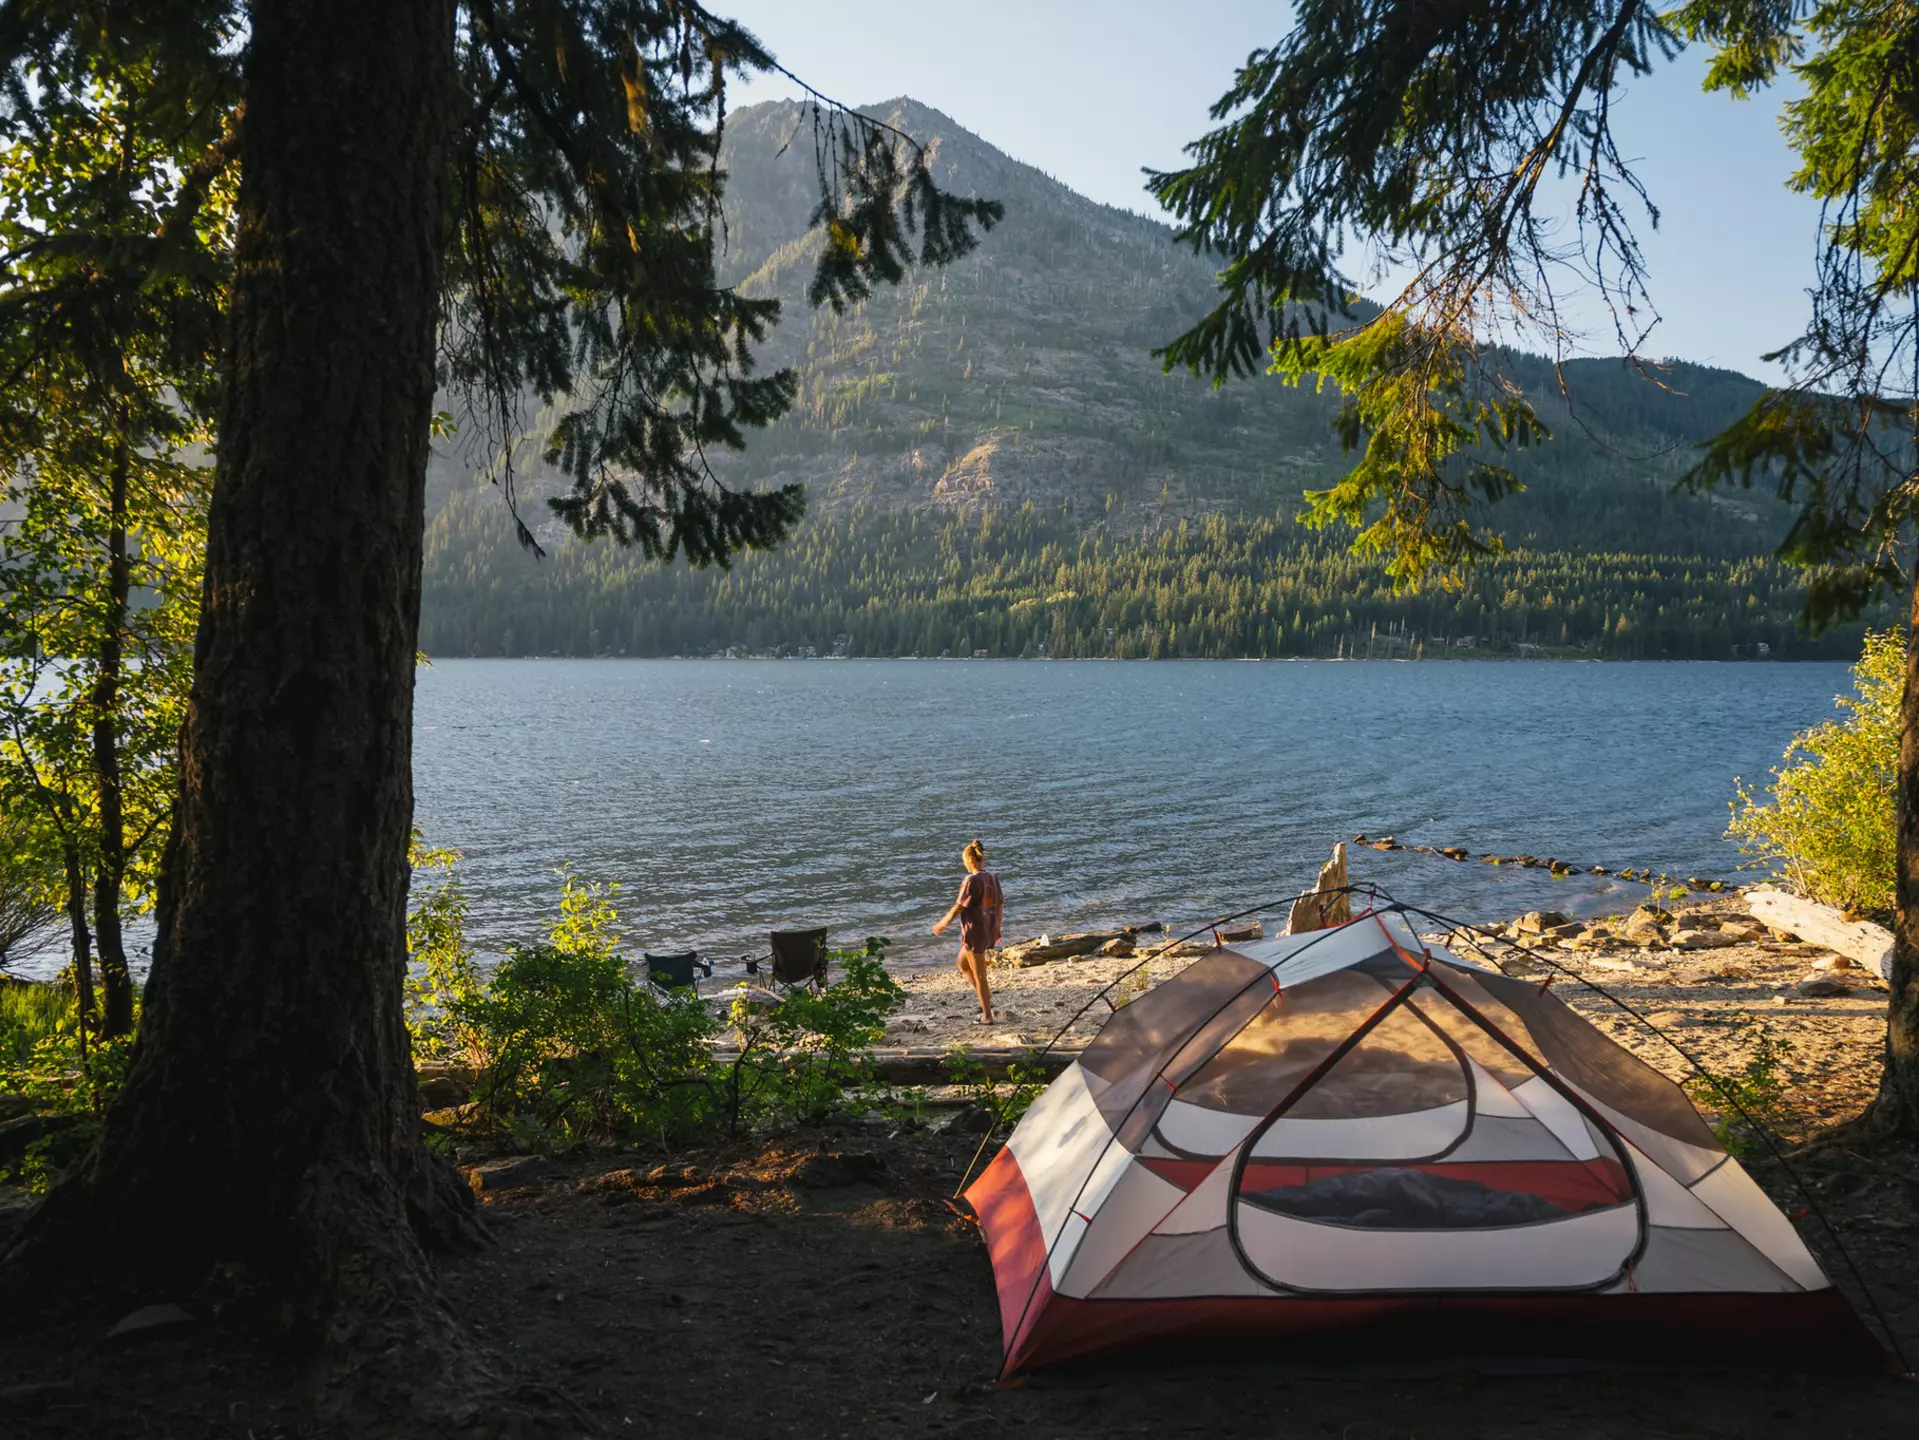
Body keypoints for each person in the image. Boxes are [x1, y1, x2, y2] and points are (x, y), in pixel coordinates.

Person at [932, 839, 1003, 1024]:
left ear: (969, 861)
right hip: (988, 928)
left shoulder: (971, 880)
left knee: (980, 975)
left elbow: (959, 906)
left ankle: (987, 1016)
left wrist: (943, 923)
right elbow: (1000, 905)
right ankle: (983, 998)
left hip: (975, 932)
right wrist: (997, 928)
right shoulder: (992, 877)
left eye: (964, 861)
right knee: (962, 964)